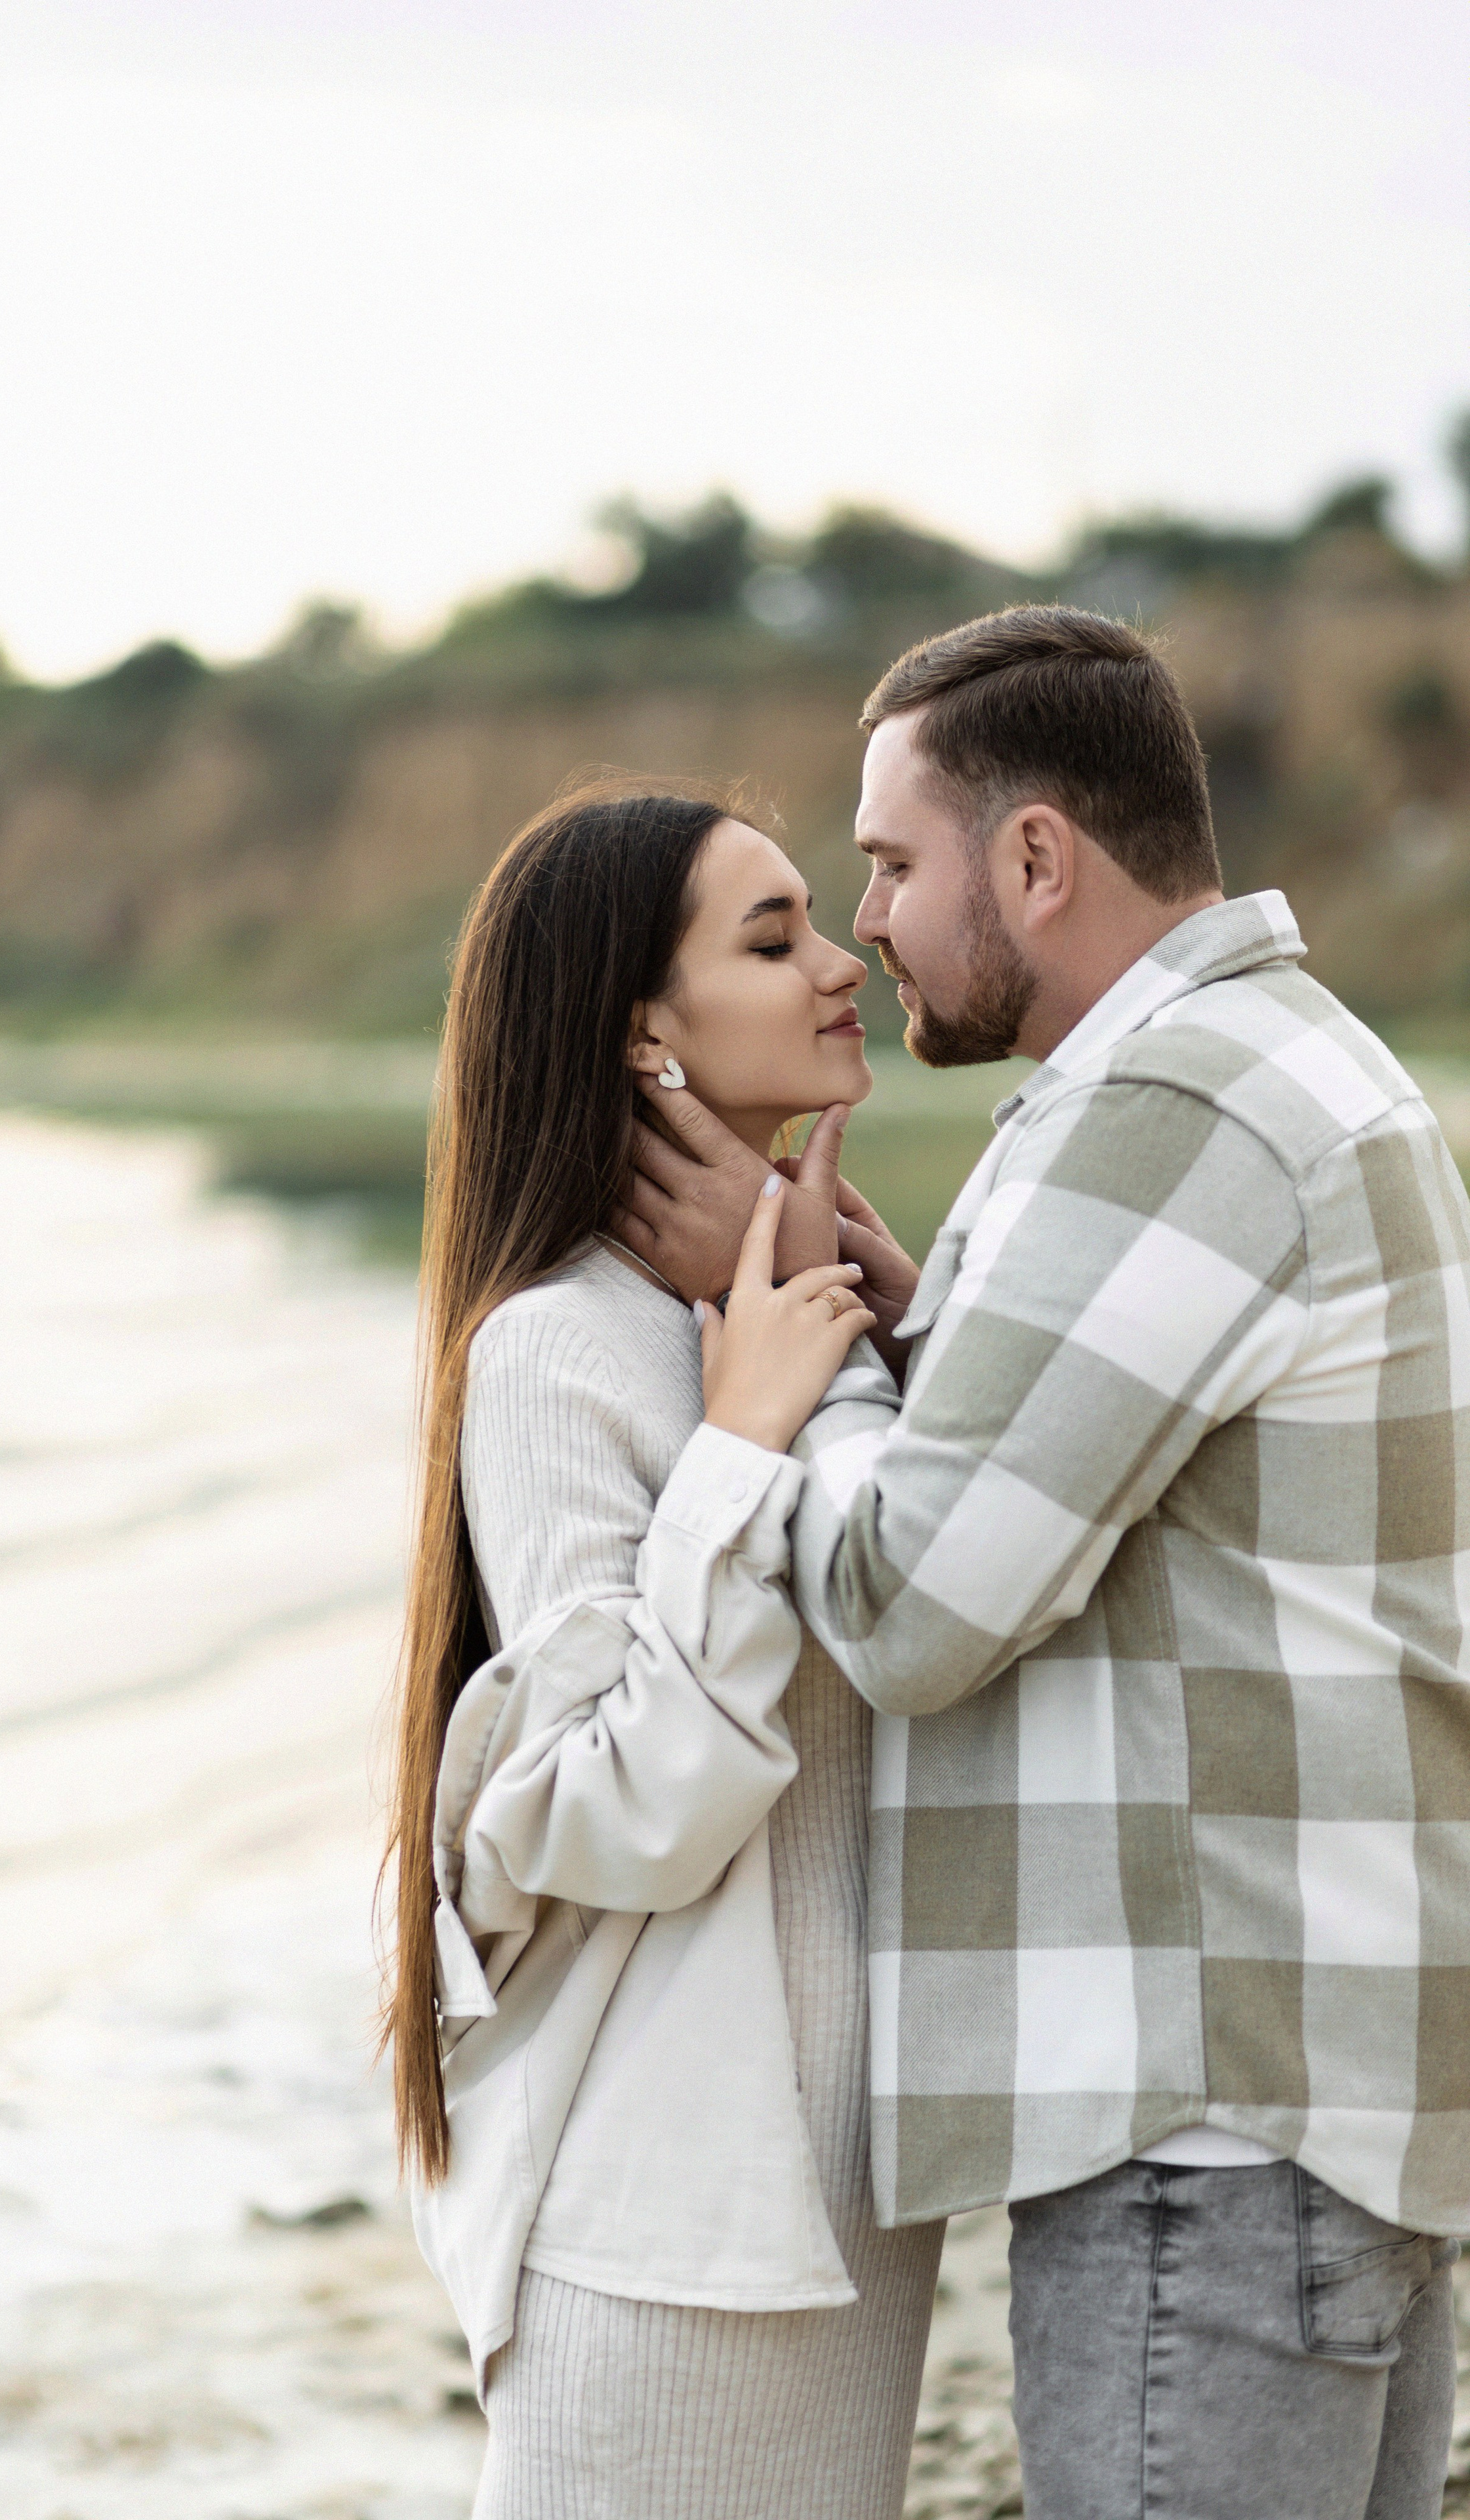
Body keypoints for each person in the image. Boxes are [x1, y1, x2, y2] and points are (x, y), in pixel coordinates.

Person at [614, 609, 1470, 2520]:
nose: (872, 925)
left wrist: (795, 1362)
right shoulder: (1294, 1067)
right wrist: (926, 1347)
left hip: (1208, 2120)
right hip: (1319, 2090)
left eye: (896, 864)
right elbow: (1169, 1501)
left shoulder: (1168, 1107)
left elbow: (916, 1608)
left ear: (1033, 858)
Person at [383, 781, 946, 2520]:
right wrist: (741, 1446)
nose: (840, 961)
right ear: (643, 1029)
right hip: (672, 2211)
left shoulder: (783, 1320)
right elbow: (602, 1805)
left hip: (846, 2182)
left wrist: (890, 1341)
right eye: (773, 938)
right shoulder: (561, 1347)